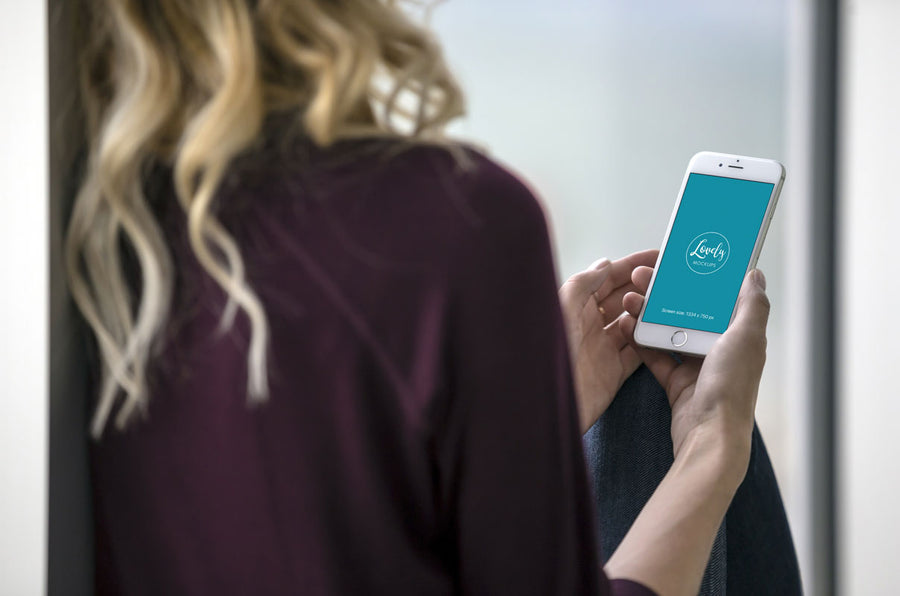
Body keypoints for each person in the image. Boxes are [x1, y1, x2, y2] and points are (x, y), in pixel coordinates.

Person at [66, 1, 797, 594]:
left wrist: (518, 421)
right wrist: (712, 445)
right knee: (658, 398)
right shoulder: (459, 222)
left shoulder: (81, 234)